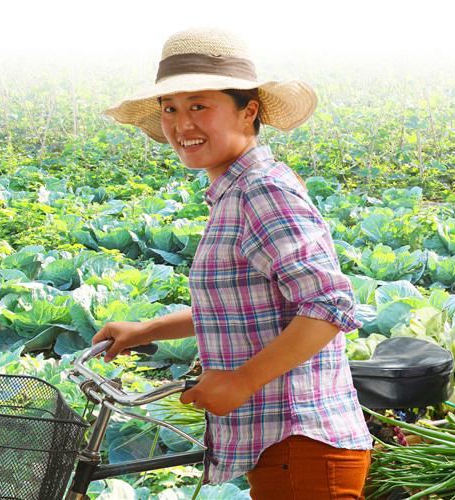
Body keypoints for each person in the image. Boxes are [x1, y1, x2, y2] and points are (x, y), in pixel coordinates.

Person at [93, 28, 372, 499]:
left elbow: (329, 304)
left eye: (199, 105)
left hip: (301, 439)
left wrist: (242, 380)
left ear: (249, 110)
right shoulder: (235, 190)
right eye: (170, 108)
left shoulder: (261, 191)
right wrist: (147, 329)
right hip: (281, 445)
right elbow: (245, 309)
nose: (182, 125)